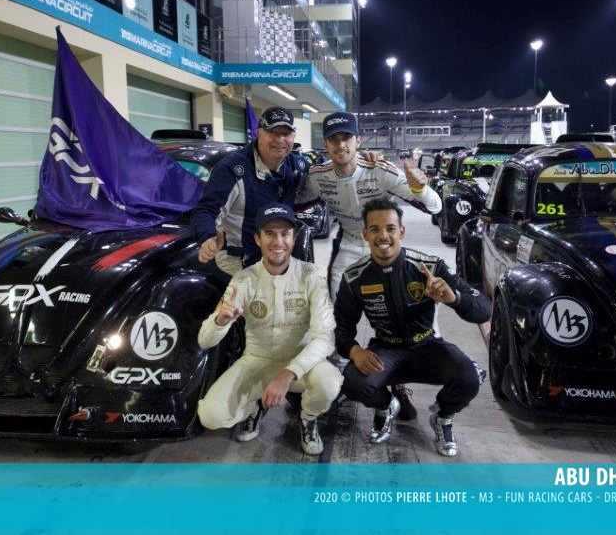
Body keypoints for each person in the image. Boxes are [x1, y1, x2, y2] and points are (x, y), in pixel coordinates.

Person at [296, 111, 442, 421]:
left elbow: (435, 205)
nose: (341, 145)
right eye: (334, 140)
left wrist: (420, 188)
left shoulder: (380, 170)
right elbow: (293, 199)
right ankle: (336, 380)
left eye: (347, 138)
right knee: (334, 316)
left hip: (386, 245)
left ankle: (399, 384)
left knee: (400, 312)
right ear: (325, 144)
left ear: (358, 141)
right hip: (351, 244)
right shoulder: (317, 176)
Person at [334, 197, 491, 457]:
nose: (383, 236)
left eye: (390, 228)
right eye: (374, 229)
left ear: (402, 232)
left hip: (427, 347)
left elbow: (483, 310)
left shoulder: (430, 266)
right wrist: (354, 351)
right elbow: (341, 330)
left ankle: (443, 416)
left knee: (469, 377)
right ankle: (386, 406)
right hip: (386, 351)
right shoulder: (354, 277)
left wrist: (453, 298)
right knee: (352, 383)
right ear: (365, 234)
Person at [197, 203, 342, 455]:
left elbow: (325, 338)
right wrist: (220, 321)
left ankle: (308, 417)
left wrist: (289, 373)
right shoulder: (243, 279)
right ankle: (252, 408)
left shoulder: (310, 276)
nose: (278, 242)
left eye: (285, 234)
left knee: (329, 383)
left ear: (294, 238)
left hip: (300, 362)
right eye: (270, 234)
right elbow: (204, 341)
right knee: (211, 415)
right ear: (258, 239)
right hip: (257, 360)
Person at [192, 107, 308, 275]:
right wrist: (208, 236)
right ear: (259, 133)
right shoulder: (231, 169)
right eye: (273, 132)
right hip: (239, 261)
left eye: (286, 134)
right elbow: (206, 210)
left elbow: (318, 185)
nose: (280, 139)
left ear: (293, 137)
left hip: (278, 256)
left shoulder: (297, 165)